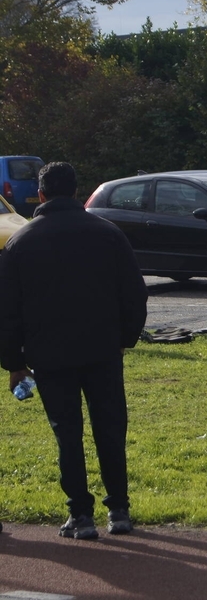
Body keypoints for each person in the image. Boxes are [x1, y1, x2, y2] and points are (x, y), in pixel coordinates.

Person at [0, 161, 148, 540]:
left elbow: (9, 312)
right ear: (76, 191)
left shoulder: (20, 242)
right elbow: (134, 293)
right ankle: (119, 508)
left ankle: (80, 513)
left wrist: (14, 363)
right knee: (110, 429)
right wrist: (125, 337)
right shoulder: (108, 234)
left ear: (42, 194)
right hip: (101, 349)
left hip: (49, 354)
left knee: (68, 433)